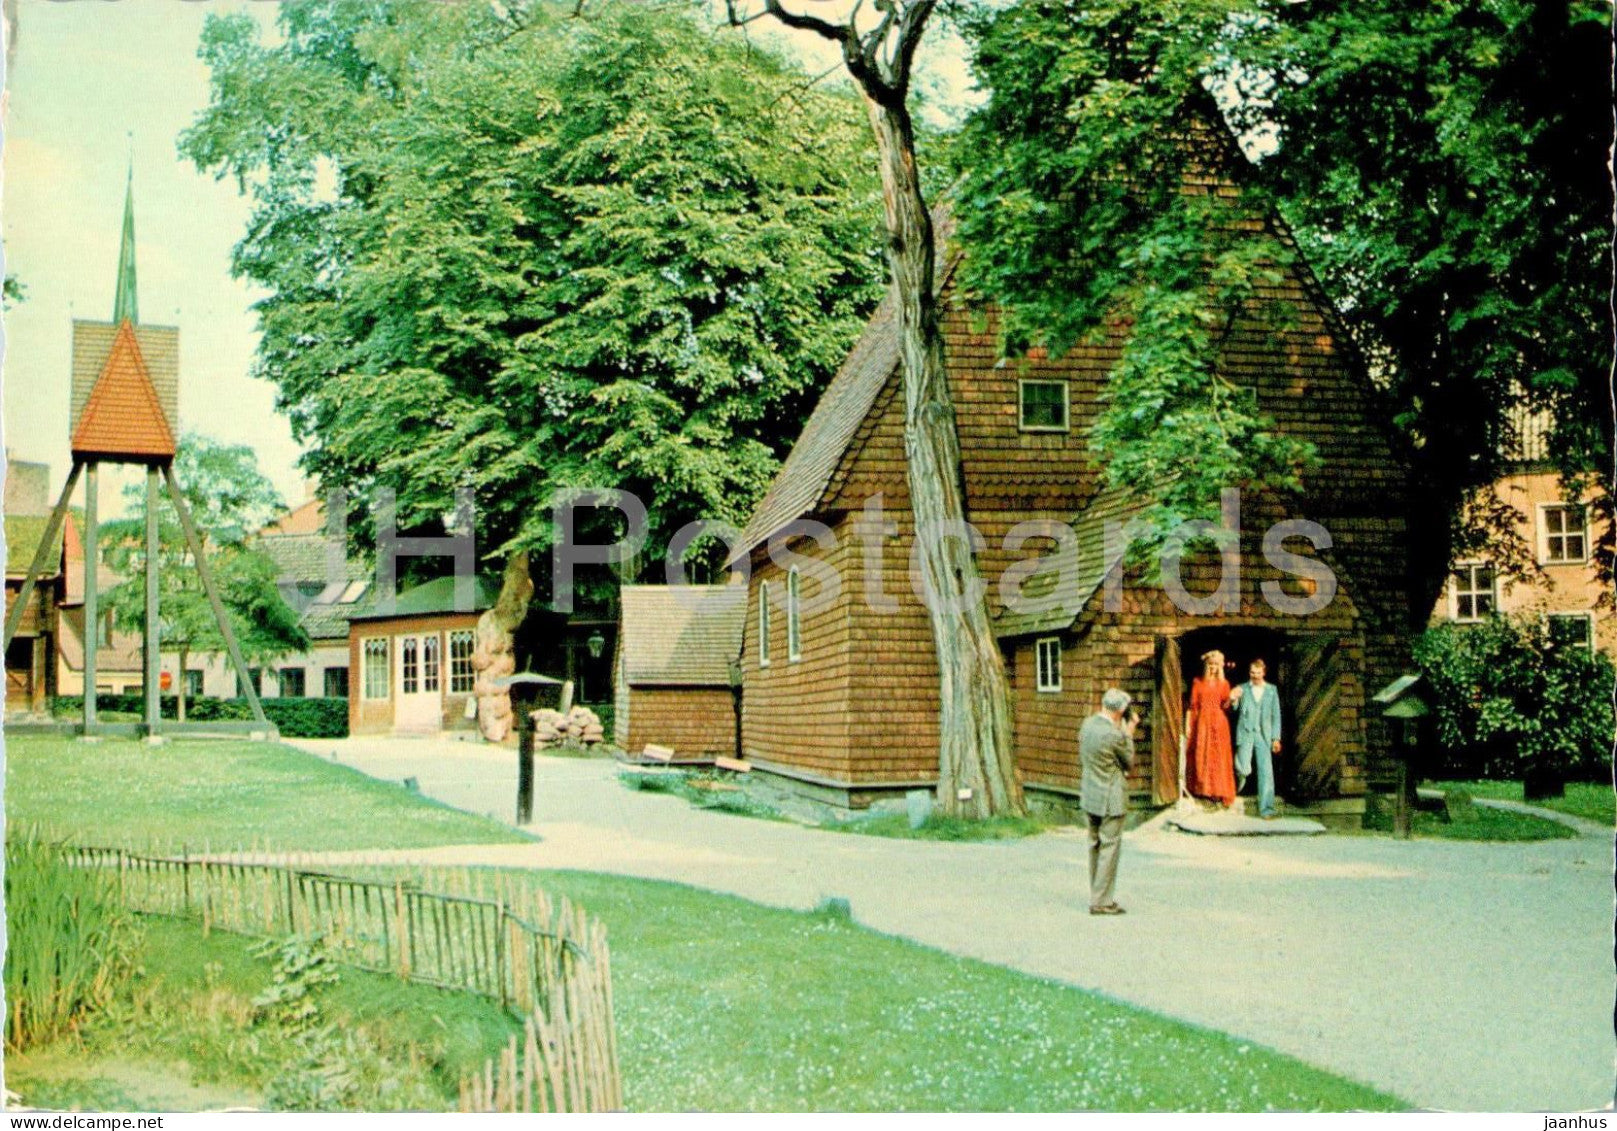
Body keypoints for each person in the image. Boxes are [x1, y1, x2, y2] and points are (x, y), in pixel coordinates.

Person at [1079, 688, 1138, 915]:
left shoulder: (1087, 725)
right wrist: (1129, 733)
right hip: (1110, 796)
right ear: (1120, 711)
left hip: (1090, 793)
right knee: (1109, 848)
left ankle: (1097, 894)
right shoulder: (1115, 736)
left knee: (1095, 845)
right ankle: (1102, 901)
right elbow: (1128, 763)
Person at [1230, 657, 1283, 818]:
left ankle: (1266, 809)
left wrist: (1276, 738)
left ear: (1263, 672)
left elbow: (1276, 715)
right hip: (1246, 732)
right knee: (1242, 765)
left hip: (1263, 734)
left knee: (1266, 771)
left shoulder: (1271, 690)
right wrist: (1233, 698)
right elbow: (1234, 708)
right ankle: (1238, 785)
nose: (1255, 675)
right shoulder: (1242, 688)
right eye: (1252, 672)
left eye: (1258, 673)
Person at [1183, 649, 1236, 806]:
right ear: (1206, 665)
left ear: (1220, 666)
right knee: (1202, 755)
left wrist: (1232, 699)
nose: (1213, 667)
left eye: (1216, 665)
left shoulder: (1224, 684)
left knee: (1218, 756)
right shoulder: (1198, 682)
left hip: (1219, 723)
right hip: (1203, 722)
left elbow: (1226, 706)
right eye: (1210, 664)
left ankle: (1218, 791)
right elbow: (1192, 706)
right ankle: (1205, 790)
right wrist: (1187, 725)